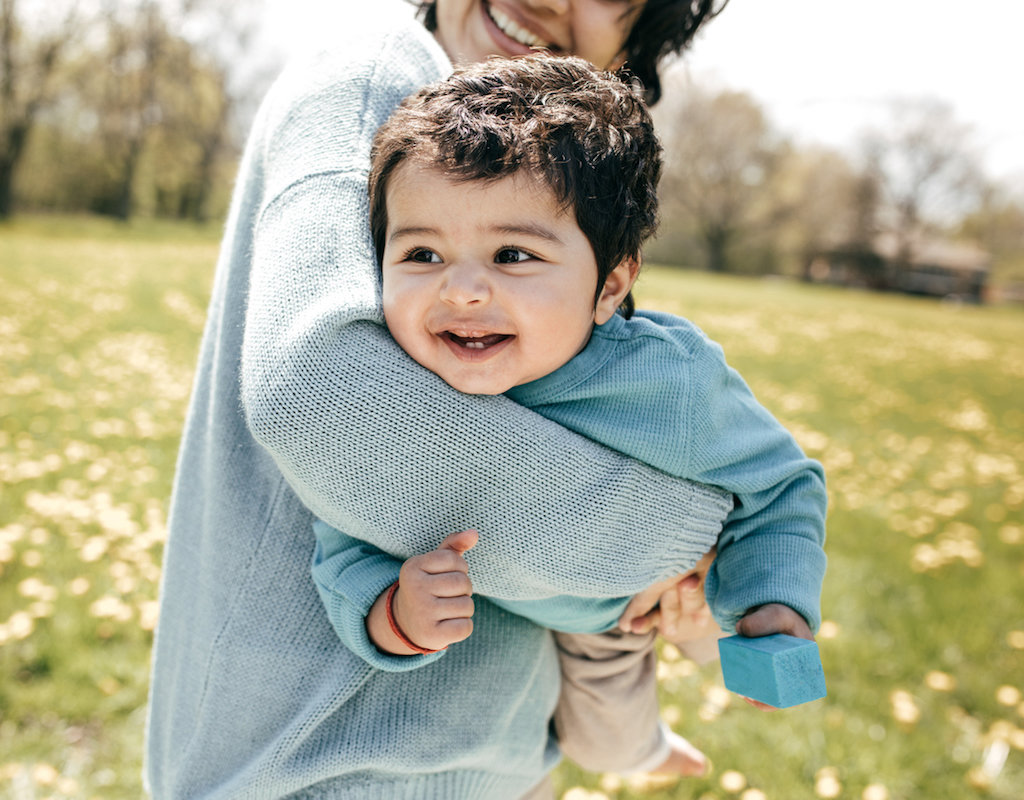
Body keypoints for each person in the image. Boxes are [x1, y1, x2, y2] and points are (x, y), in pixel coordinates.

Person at [143, 2, 760, 798]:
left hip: (493, 765)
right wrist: (685, 552)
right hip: (319, 768)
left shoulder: (553, 186)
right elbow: (323, 401)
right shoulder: (376, 72)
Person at [309, 53, 827, 781]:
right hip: (516, 614)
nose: (460, 290)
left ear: (609, 285)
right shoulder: (390, 388)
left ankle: (690, 673)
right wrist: (393, 611)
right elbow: (341, 533)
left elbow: (781, 484)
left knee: (611, 745)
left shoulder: (665, 382)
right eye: (422, 252)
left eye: (512, 254)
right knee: (589, 742)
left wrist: (771, 604)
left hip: (616, 618)